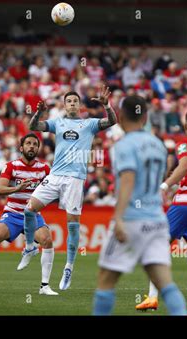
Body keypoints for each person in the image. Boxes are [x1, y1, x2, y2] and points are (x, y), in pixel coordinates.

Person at [92, 95, 187, 315]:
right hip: (157, 221)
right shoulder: (158, 145)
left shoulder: (123, 145)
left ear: (122, 116)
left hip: (132, 219)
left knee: (106, 281)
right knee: (165, 283)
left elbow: (128, 180)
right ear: (145, 117)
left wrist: (118, 218)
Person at [23, 85, 117, 291]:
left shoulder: (89, 124)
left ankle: (68, 267)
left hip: (75, 178)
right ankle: (30, 247)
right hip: (55, 176)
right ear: (64, 105)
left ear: (80, 105)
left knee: (72, 223)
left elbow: (112, 121)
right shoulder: (57, 122)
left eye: (75, 101)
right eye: (69, 101)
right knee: (29, 208)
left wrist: (107, 106)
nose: (72, 104)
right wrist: (39, 112)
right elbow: (34, 127)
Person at [136, 109, 187, 313]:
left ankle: (153, 298)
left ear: (185, 126)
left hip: (185, 202)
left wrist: (163, 186)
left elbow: (183, 167)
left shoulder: (185, 143)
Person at [0, 133, 58, 295]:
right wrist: (17, 189)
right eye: (28, 143)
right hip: (13, 213)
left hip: (32, 214)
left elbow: (52, 190)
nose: (32, 146)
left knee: (47, 240)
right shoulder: (11, 166)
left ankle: (44, 286)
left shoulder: (44, 168)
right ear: (21, 148)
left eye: (35, 144)